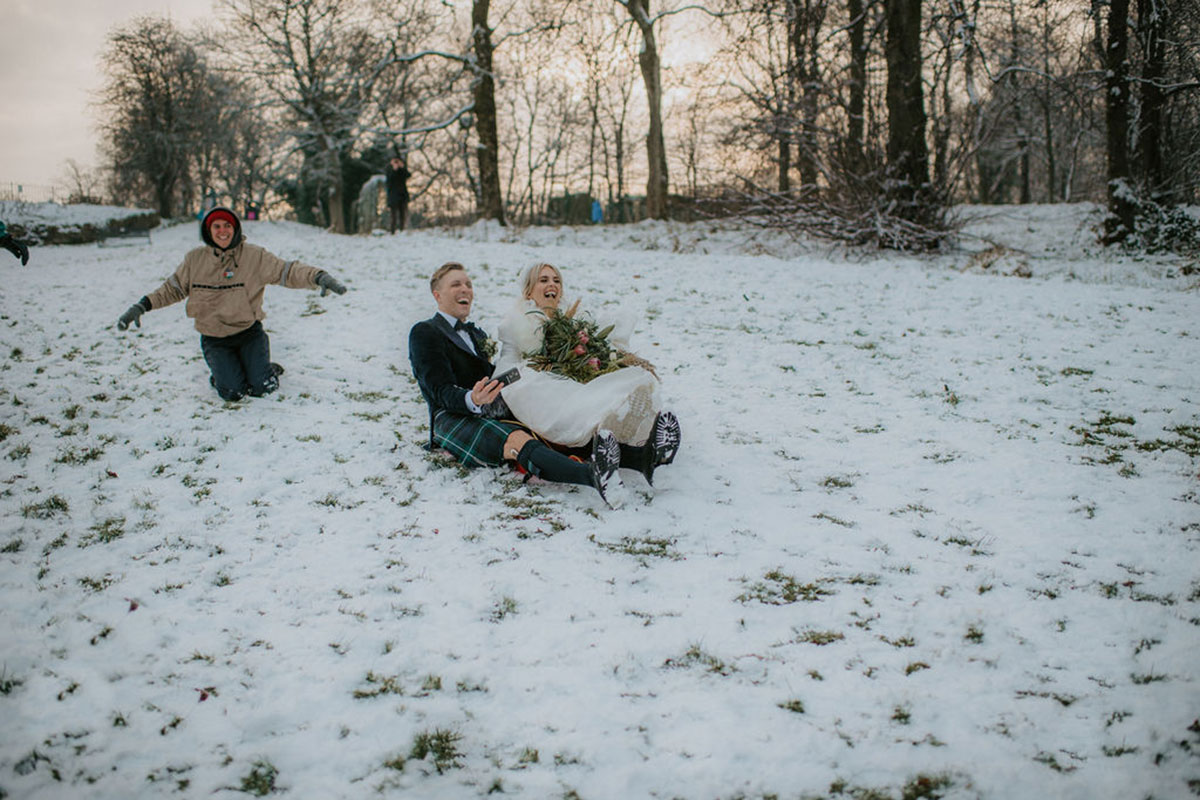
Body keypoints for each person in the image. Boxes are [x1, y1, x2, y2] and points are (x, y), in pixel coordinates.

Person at [408, 262, 622, 505]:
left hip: (489, 409)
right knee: (517, 438)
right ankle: (594, 477)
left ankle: (638, 456)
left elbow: (491, 374)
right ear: (437, 295)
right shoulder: (425, 331)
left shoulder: (474, 334)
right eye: (456, 284)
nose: (465, 289)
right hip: (449, 417)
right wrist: (472, 399)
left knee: (548, 427)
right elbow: (437, 391)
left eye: (468, 284)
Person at [114, 206, 347, 401]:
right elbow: (171, 289)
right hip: (215, 340)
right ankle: (224, 374)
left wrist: (318, 276)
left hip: (248, 333)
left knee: (263, 388)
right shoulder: (195, 260)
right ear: (208, 230)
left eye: (227, 225)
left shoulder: (254, 256)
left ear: (235, 229)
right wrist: (142, 305)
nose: (222, 231)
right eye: (217, 226)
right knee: (232, 392)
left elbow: (287, 271)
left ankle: (263, 368)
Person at [495, 262, 680, 485]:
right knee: (562, 393)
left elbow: (591, 344)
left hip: (574, 372)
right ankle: (611, 439)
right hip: (542, 381)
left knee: (626, 377)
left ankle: (649, 440)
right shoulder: (516, 323)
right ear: (528, 290)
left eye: (556, 280)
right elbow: (507, 363)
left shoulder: (574, 317)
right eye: (543, 280)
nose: (551, 285)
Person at [385, 156, 410, 233]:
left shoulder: (401, 171)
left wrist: (402, 167)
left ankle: (402, 229)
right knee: (393, 215)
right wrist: (394, 169)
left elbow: (408, 175)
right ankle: (392, 230)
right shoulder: (389, 169)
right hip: (393, 195)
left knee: (402, 213)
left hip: (402, 195)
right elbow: (389, 180)